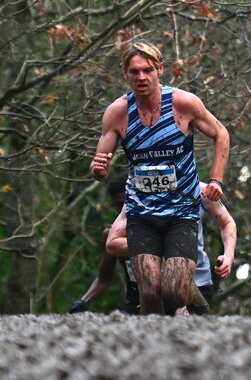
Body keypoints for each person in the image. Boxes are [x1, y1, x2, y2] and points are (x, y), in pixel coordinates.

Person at [91, 41, 229, 314]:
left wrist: (216, 180)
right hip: (142, 213)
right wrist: (99, 169)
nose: (141, 77)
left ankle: (201, 312)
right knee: (150, 292)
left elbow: (221, 134)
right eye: (134, 72)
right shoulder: (118, 112)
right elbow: (101, 167)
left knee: (174, 291)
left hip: (182, 211)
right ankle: (151, 350)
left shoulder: (183, 103)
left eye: (147, 70)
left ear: (160, 70)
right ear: (126, 74)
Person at [105, 181, 235, 315]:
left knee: (192, 330)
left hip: (198, 280)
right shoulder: (139, 193)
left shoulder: (201, 191)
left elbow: (227, 222)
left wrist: (228, 255)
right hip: (154, 285)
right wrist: (153, 245)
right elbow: (112, 244)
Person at [68, 175, 139, 314]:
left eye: (128, 203)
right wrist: (83, 302)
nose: (125, 209)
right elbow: (104, 278)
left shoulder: (162, 230)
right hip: (135, 306)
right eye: (120, 205)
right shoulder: (111, 237)